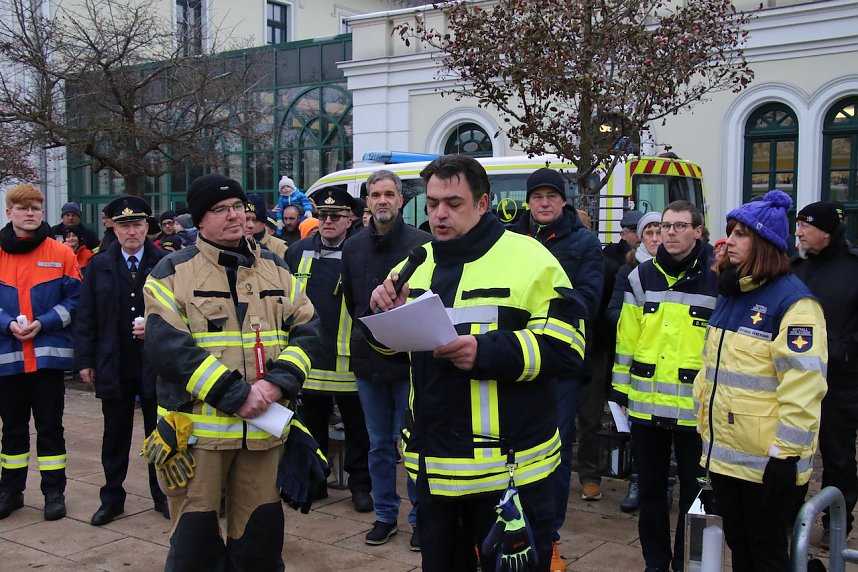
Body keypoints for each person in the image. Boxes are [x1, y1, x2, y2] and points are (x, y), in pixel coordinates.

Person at [368, 155, 587, 571]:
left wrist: (485, 352)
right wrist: (381, 317)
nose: (439, 214)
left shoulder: (532, 260)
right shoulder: (417, 262)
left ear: (483, 203)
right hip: (433, 472)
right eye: (432, 204)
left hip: (511, 475)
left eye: (453, 203)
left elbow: (567, 347)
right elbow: (386, 351)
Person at [142, 174, 320, 570]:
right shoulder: (170, 271)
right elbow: (167, 348)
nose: (233, 216)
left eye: (238, 207)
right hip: (197, 439)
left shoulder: (276, 267)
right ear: (199, 220)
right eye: (220, 210)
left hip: (262, 435)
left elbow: (309, 329)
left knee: (260, 544)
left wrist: (278, 384)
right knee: (194, 550)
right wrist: (237, 395)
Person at [695, 190, 828, 571]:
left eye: (741, 234)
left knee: (767, 554)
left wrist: (785, 457)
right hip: (726, 458)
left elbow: (803, 391)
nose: (729, 242)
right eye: (730, 232)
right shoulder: (731, 293)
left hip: (767, 465)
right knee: (740, 548)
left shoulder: (795, 304)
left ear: (765, 244)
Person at [612, 200, 718, 572]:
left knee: (696, 495)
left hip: (695, 411)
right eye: (666, 226)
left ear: (698, 232)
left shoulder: (718, 278)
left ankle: (686, 565)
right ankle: (655, 563)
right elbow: (627, 340)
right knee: (652, 494)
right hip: (645, 405)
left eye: (679, 226)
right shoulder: (640, 277)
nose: (670, 233)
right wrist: (619, 393)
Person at [508, 167, 604, 571]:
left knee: (556, 452)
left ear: (564, 201)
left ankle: (549, 540)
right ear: (528, 202)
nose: (543, 203)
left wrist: (536, 305)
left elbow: (587, 301)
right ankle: (509, 528)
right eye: (537, 197)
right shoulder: (511, 239)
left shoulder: (583, 243)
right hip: (515, 358)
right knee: (511, 446)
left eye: (551, 196)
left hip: (560, 364)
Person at [341, 169, 431, 547]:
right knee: (378, 443)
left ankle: (420, 519)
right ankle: (385, 515)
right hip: (367, 360)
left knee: (414, 443)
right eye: (375, 194)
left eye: (389, 194)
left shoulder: (422, 244)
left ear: (400, 199)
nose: (382, 200)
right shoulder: (353, 247)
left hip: (411, 361)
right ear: (367, 200)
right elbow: (353, 301)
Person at [73, 195, 169, 526]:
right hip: (113, 361)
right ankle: (112, 497)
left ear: (147, 226)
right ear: (114, 228)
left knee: (160, 432)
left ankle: (163, 494)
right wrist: (84, 360)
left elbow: (180, 314)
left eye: (138, 224)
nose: (132, 232)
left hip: (154, 362)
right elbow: (86, 316)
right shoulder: (99, 264)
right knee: (115, 434)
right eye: (125, 225)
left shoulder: (164, 262)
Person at [285, 187, 372, 513]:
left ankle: (360, 487)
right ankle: (315, 482)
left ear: (350, 220)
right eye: (323, 215)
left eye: (336, 216)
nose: (328, 221)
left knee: (358, 431)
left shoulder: (362, 252)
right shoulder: (298, 251)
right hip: (310, 359)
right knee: (311, 428)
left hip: (351, 361)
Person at [0, 184, 81, 521]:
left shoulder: (62, 253)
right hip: (7, 357)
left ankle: (53, 493)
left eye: (35, 207)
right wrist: (7, 325)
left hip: (47, 357)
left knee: (50, 427)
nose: (30, 212)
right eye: (23, 208)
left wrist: (44, 322)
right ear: (9, 213)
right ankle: (10, 492)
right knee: (13, 429)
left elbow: (76, 300)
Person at [791, 200, 858, 548]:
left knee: (838, 458)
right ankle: (789, 515)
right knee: (792, 450)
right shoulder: (794, 267)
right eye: (797, 224)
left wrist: (845, 347)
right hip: (795, 383)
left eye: (806, 226)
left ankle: (836, 525)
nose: (798, 232)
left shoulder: (853, 268)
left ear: (827, 232)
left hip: (840, 384)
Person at [606, 211, 662, 514]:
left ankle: (665, 483)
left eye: (659, 232)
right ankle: (638, 481)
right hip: (637, 358)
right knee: (636, 427)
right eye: (649, 233)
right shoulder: (629, 270)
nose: (655, 239)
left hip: (669, 363)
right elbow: (613, 311)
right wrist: (635, 319)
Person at [246, 194, 287, 260]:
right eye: (245, 219)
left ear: (264, 223)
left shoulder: (279, 247)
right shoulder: (231, 243)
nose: (250, 224)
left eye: (254, 220)